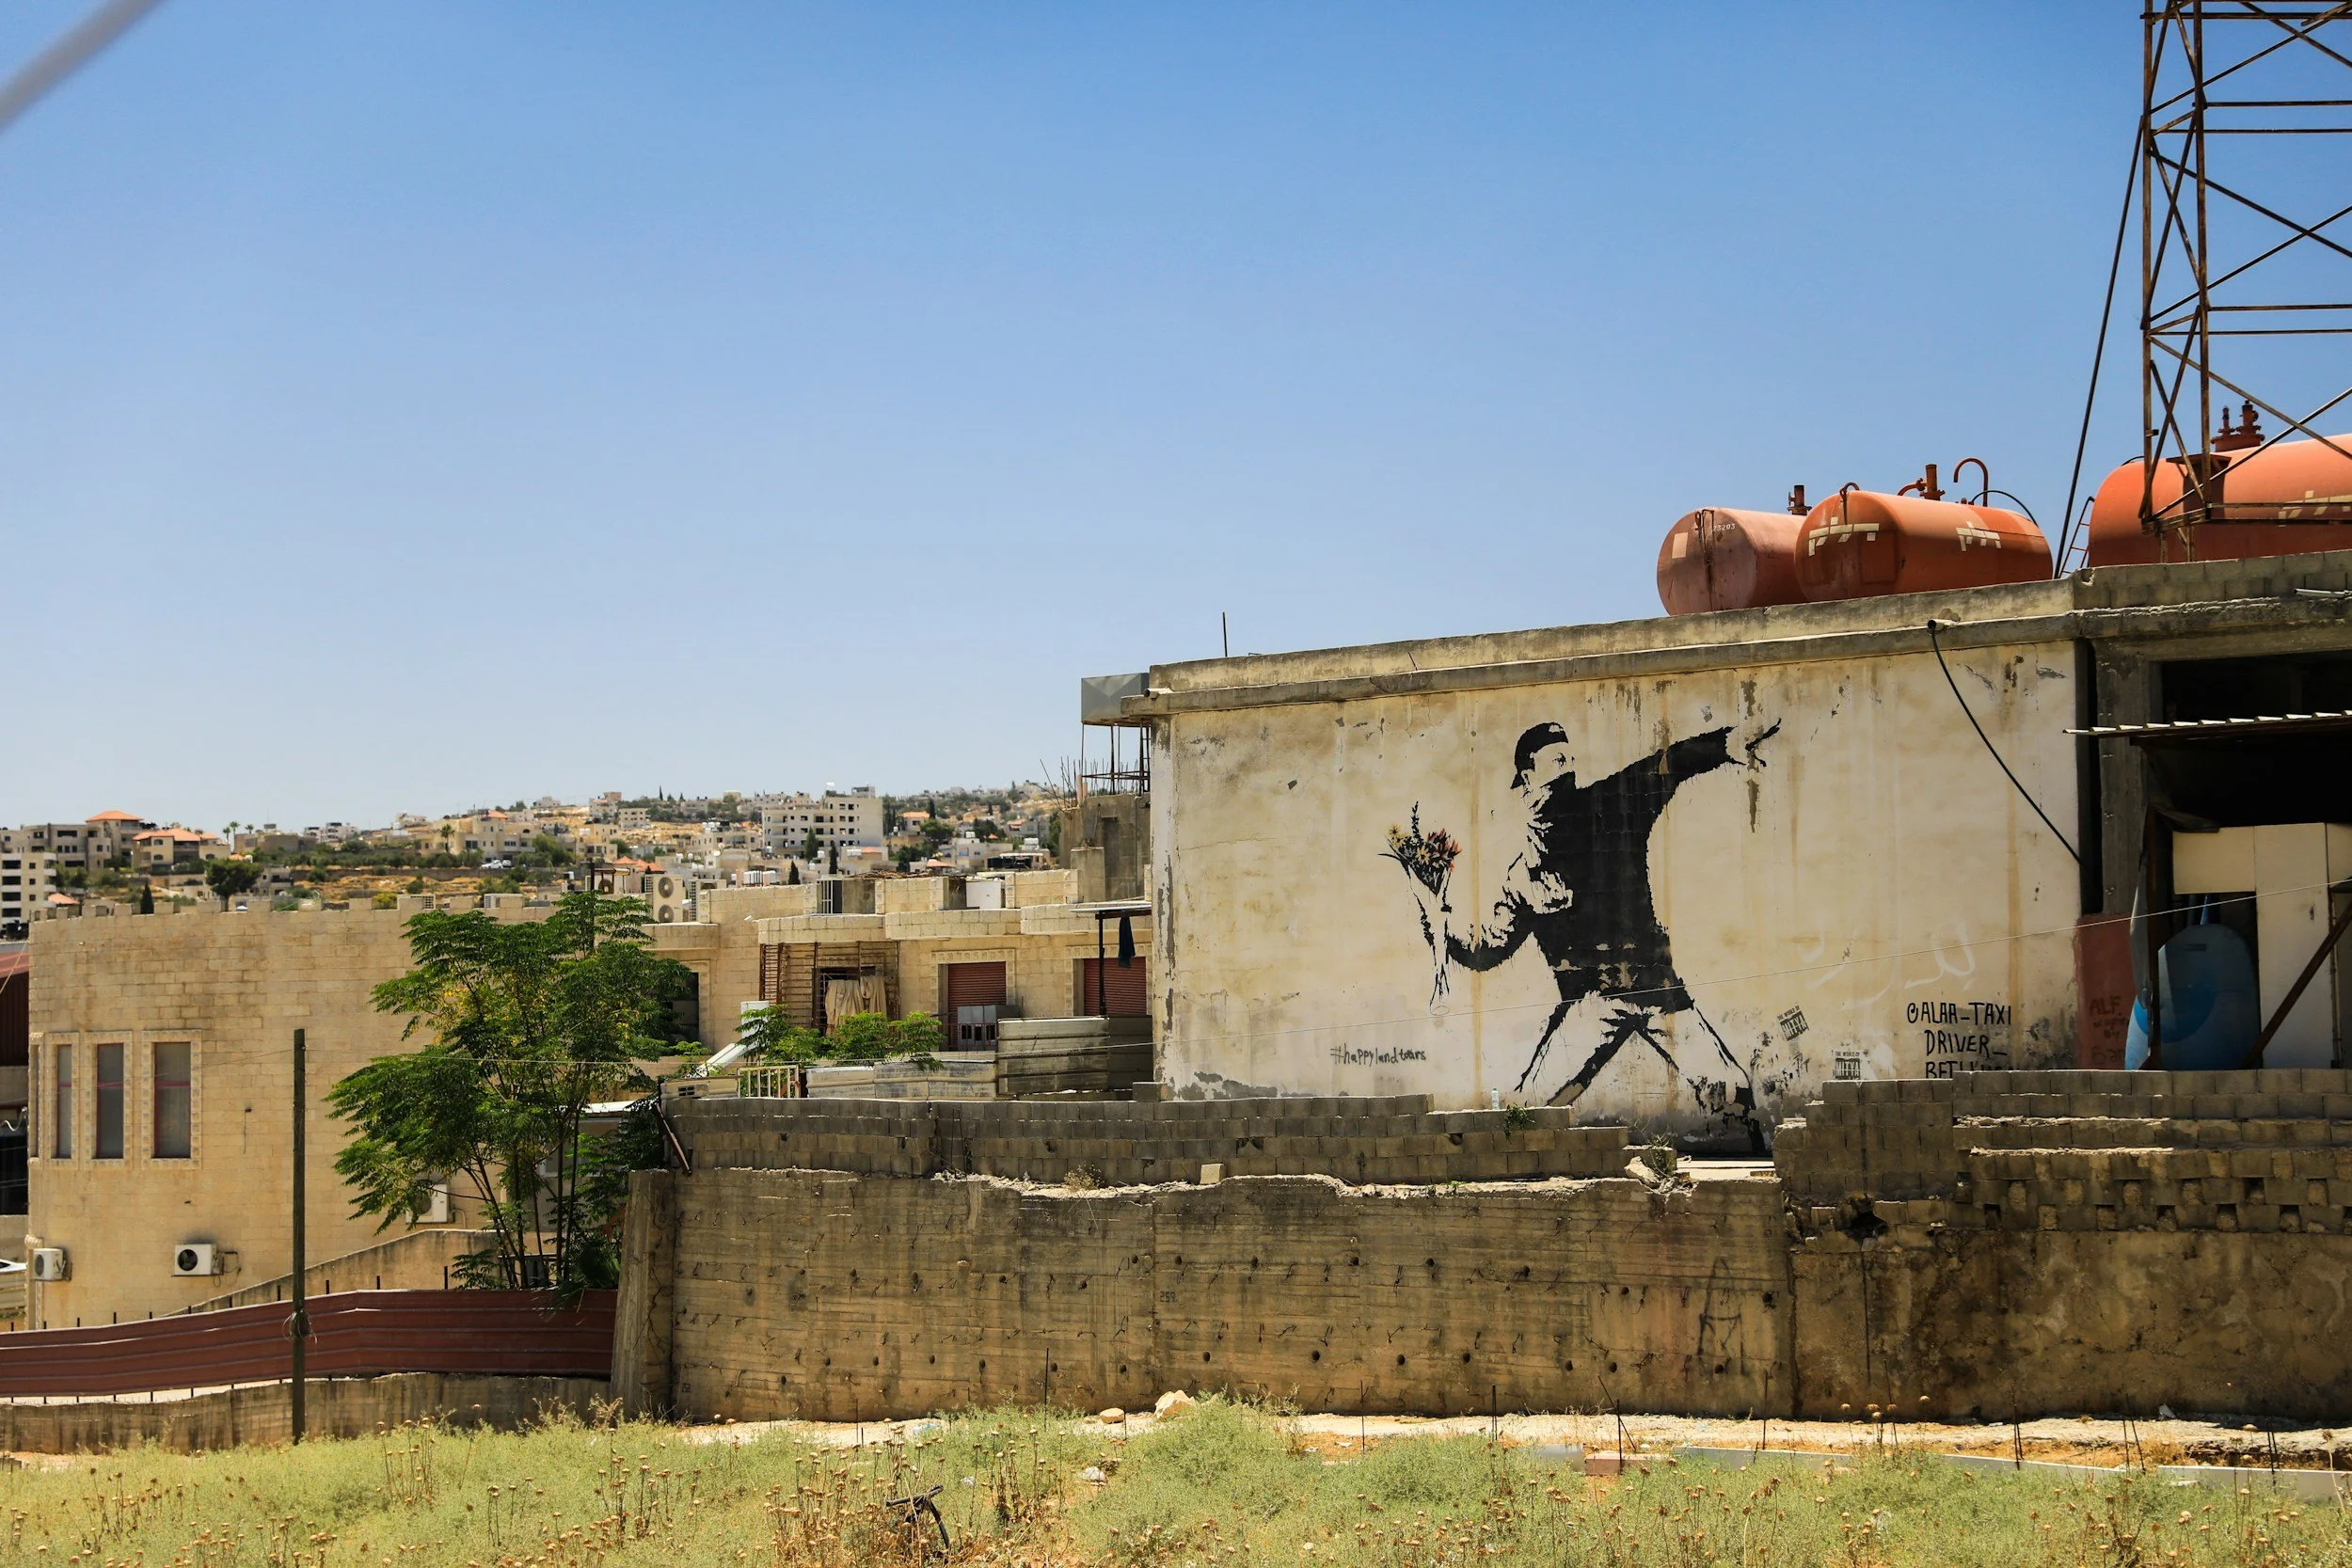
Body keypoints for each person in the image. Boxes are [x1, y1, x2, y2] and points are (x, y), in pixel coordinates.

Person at [1400, 717, 1778, 1147]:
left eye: (1570, 759)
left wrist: (1724, 743)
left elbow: (1664, 766)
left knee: (1730, 1090)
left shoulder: (1608, 804)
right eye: (1557, 760)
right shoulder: (1523, 872)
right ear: (1527, 775)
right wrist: (1440, 925)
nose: (1568, 768)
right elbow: (1488, 950)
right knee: (1530, 1111)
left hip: (1658, 991)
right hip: (1590, 1006)